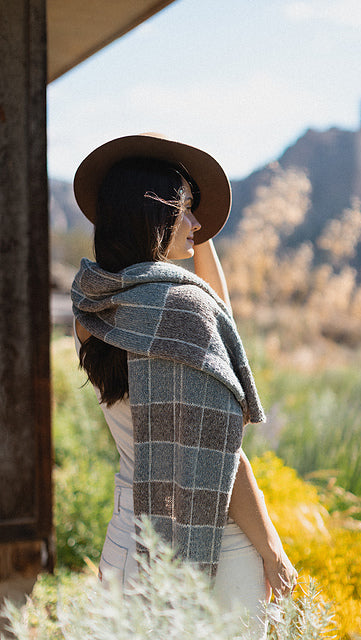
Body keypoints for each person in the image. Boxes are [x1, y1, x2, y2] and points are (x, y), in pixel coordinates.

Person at [71, 134, 297, 634]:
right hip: (211, 545)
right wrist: (273, 550)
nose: (197, 224)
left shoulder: (92, 307)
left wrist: (195, 234)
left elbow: (214, 319)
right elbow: (223, 453)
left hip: (130, 541)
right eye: (188, 212)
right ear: (155, 216)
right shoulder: (181, 313)